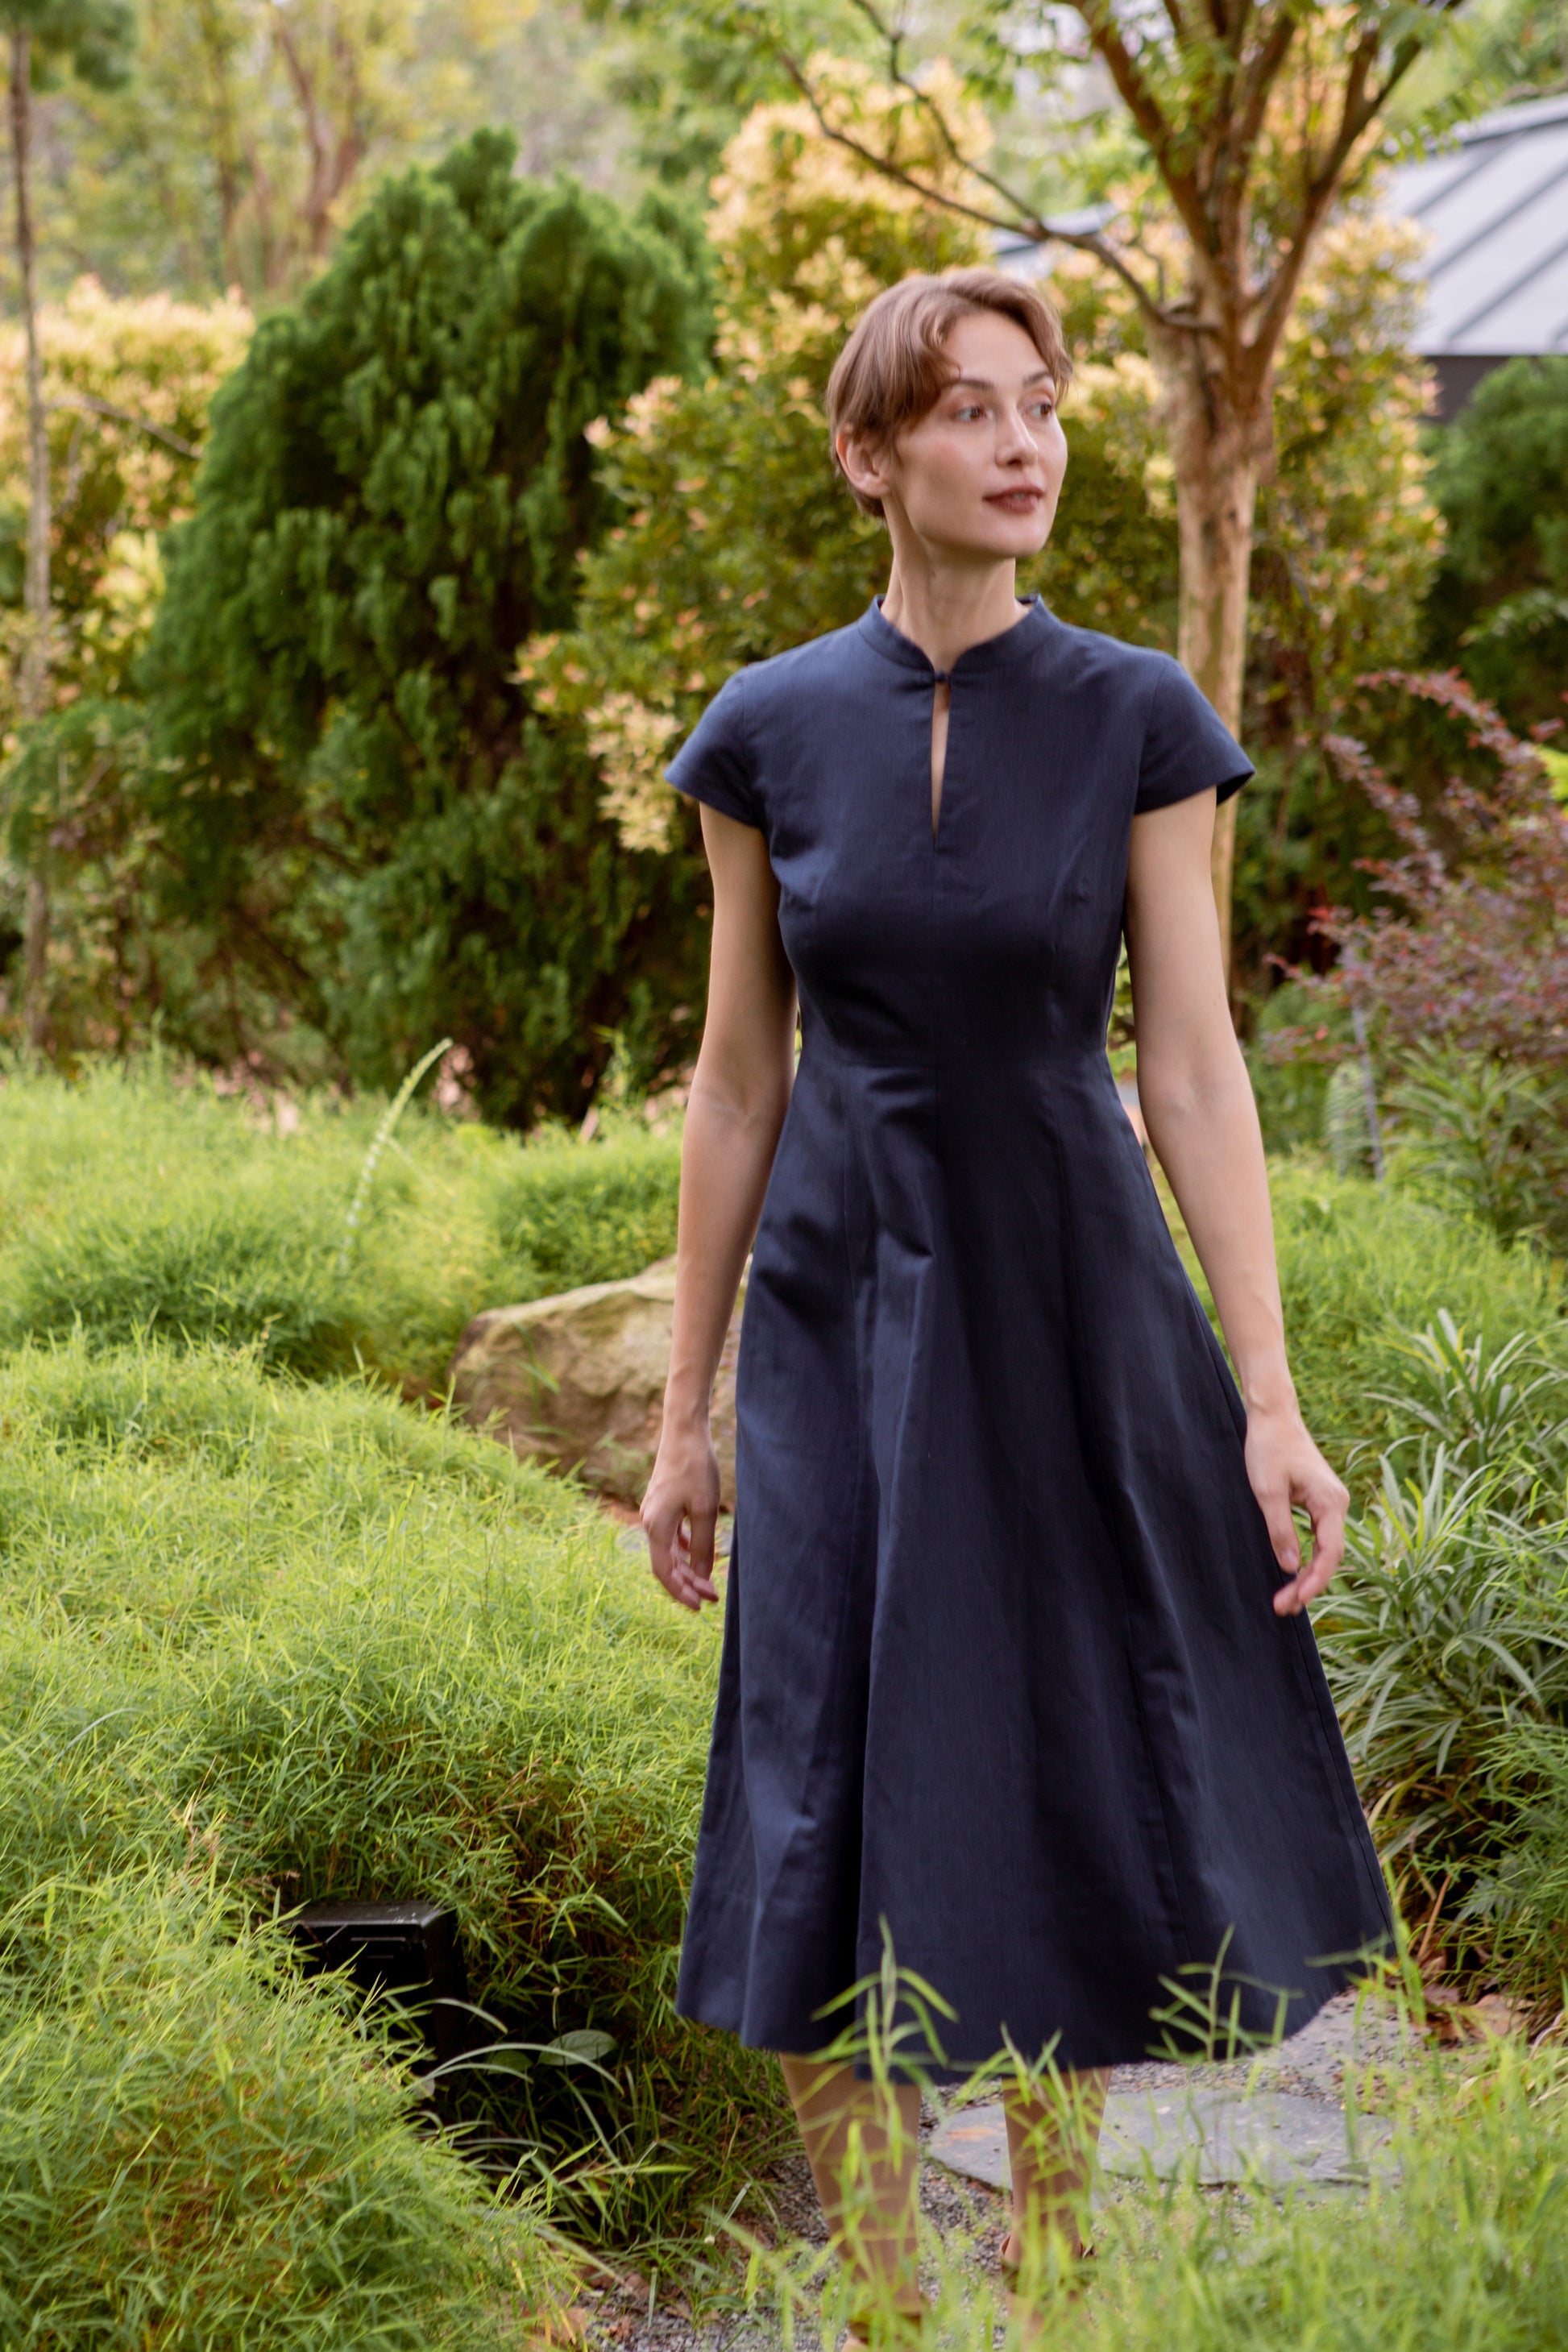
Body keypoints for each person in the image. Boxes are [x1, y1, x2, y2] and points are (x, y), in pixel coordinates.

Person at [639, 268, 1391, 2336]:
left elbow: (1191, 1065)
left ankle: (1052, 2286)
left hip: (1069, 1295)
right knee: (812, 1775)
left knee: (1059, 1751)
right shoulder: (764, 730)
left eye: (1042, 404)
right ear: (867, 455)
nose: (1024, 442)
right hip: (836, 1309)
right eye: (969, 409)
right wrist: (683, 1410)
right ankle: (892, 2306)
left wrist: (1267, 1394)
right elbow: (735, 1081)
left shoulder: (1139, 714)